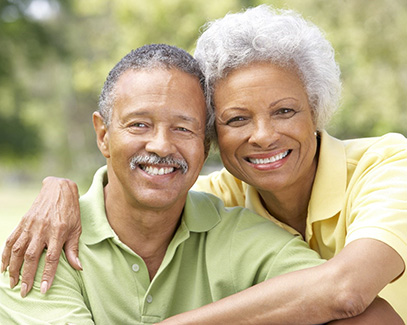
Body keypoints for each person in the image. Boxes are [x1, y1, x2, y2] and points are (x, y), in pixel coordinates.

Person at [2, 4, 406, 323]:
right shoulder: (215, 199)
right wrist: (60, 188)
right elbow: (144, 187)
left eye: (284, 111)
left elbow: (347, 292)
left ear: (316, 112)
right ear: (213, 136)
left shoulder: (388, 165)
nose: (263, 135)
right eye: (237, 118)